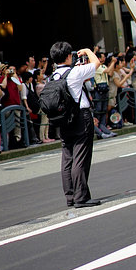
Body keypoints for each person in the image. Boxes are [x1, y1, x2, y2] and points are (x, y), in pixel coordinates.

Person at [49, 41, 101, 209]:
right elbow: (97, 63)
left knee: (67, 158)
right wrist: (87, 50)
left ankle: (70, 196)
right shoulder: (75, 72)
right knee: (80, 157)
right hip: (80, 117)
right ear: (68, 56)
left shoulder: (53, 76)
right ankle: (81, 197)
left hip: (63, 120)